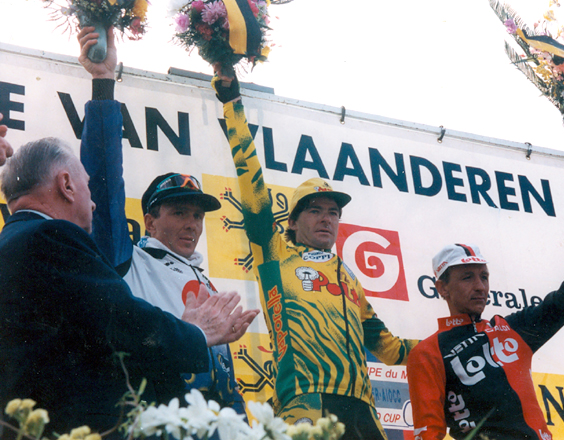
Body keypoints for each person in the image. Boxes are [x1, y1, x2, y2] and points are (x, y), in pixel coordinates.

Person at [211, 71, 418, 440]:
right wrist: (233, 106)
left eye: (333, 212)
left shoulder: (349, 278)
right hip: (304, 400)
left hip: (362, 409)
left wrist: (450, 344)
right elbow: (253, 188)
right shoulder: (275, 256)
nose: (327, 219)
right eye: (315, 211)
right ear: (290, 223)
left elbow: (390, 350)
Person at [0, 137, 251, 439]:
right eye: (180, 212)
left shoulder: (17, 240)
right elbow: (120, 320)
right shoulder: (55, 236)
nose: (92, 202)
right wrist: (196, 333)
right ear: (66, 185)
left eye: (198, 216)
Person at [76, 26, 258, 414]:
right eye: (178, 213)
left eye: (197, 215)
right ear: (149, 221)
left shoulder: (203, 278)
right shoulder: (128, 261)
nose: (192, 224)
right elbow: (104, 181)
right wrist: (103, 84)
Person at [406, 191, 564, 440]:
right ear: (442, 288)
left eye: (484, 276)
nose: (480, 286)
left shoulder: (509, 329)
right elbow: (427, 434)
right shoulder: (427, 353)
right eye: (467, 277)